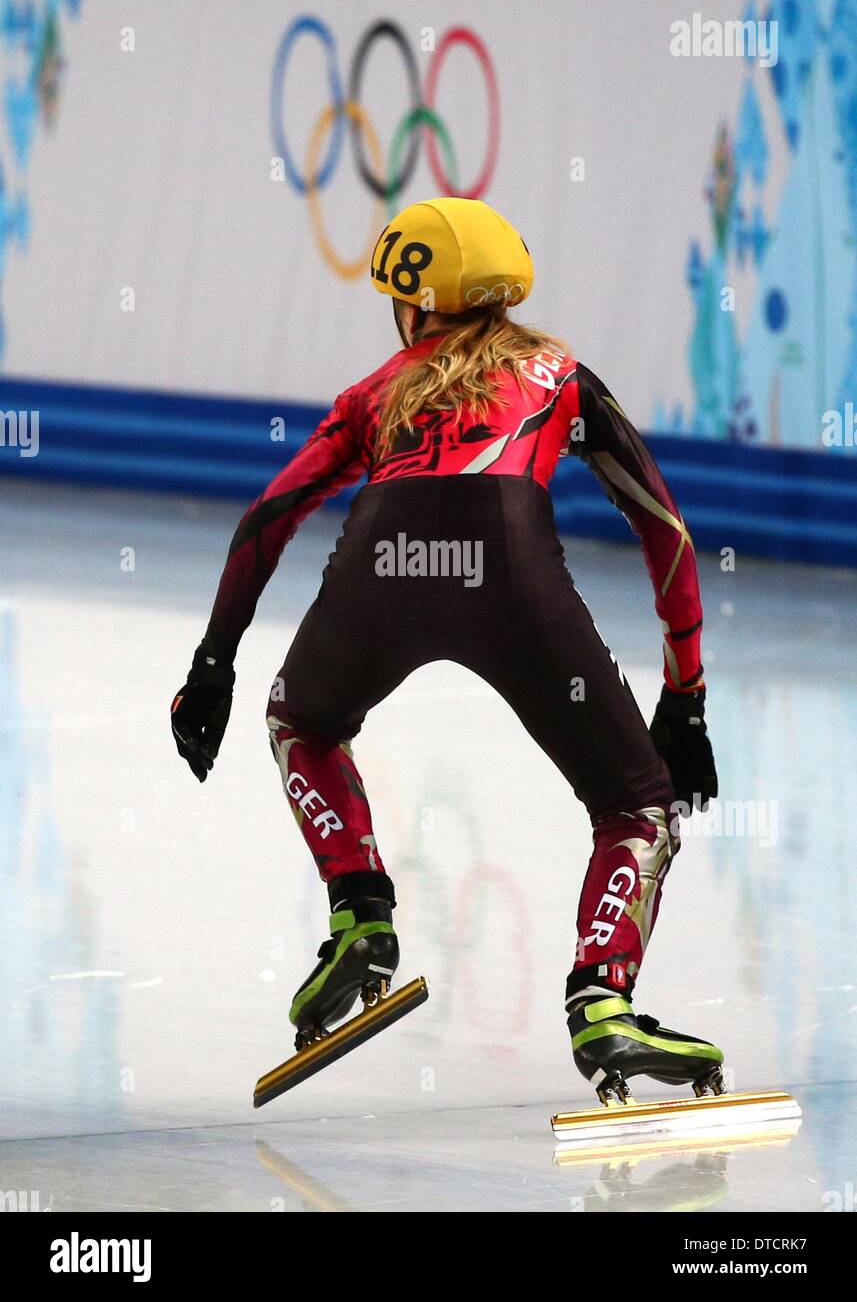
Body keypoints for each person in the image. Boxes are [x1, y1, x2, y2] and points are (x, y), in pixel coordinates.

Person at [171, 198, 722, 1102]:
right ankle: (602, 1002)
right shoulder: (560, 378)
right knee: (636, 806)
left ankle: (360, 914)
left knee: (300, 722)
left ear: (417, 306)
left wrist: (214, 661)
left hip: (381, 561)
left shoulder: (374, 392)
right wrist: (685, 690)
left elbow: (267, 518)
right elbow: (662, 524)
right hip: (513, 575)